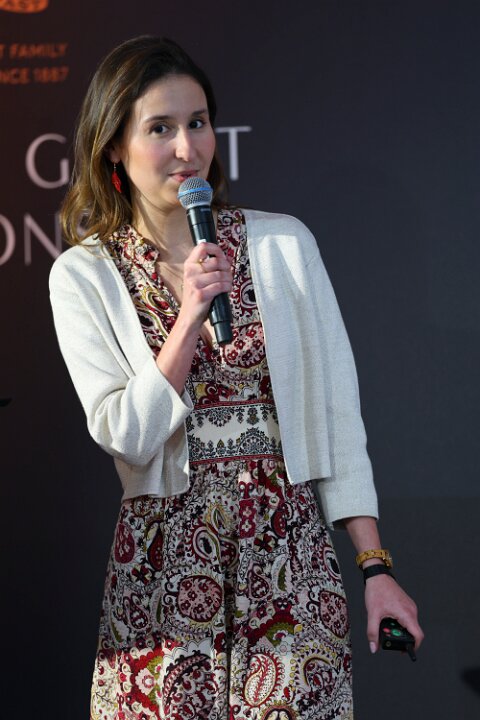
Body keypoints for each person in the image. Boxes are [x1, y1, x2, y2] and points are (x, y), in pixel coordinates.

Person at [49, 35, 423, 720]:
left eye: (197, 123)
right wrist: (189, 316)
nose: (186, 148)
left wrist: (376, 568)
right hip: (164, 567)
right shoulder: (83, 276)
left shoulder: (284, 245)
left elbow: (338, 421)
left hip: (288, 552)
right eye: (159, 128)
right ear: (114, 148)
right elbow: (125, 436)